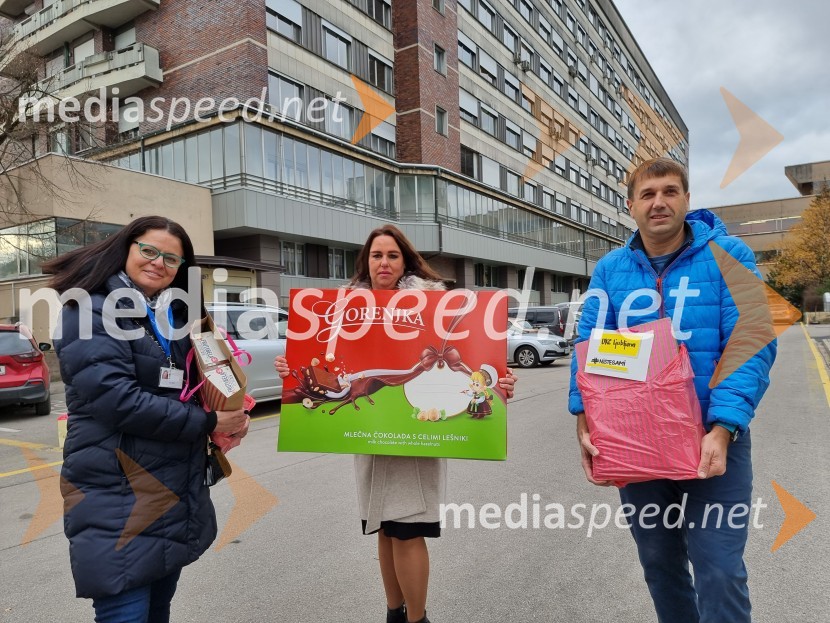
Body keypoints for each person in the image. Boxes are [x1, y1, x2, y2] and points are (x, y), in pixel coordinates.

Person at [568, 158, 776, 623]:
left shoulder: (731, 255)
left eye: (669, 191)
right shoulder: (609, 270)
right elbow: (590, 346)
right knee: (660, 566)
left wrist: (722, 428)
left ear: (686, 199)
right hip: (638, 445)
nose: (658, 202)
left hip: (713, 442)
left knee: (720, 571)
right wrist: (584, 420)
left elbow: (750, 341)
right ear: (630, 206)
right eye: (647, 194)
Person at [276, 224, 516, 623]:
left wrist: (497, 381)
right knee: (385, 529)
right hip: (371, 438)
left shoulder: (434, 307)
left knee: (408, 530)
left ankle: (417, 619)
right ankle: (394, 613)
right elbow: (321, 364)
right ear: (365, 262)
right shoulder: (342, 312)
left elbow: (472, 360)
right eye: (376, 255)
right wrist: (290, 367)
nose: (383, 263)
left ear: (405, 261)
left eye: (391, 255)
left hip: (416, 438)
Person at [44, 216, 248, 623]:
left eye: (172, 259)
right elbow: (118, 400)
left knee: (157, 609)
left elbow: (186, 384)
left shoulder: (171, 314)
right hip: (119, 489)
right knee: (126, 611)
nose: (159, 263)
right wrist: (208, 424)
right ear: (127, 247)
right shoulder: (90, 308)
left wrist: (228, 400)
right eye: (149, 250)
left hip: (169, 490)